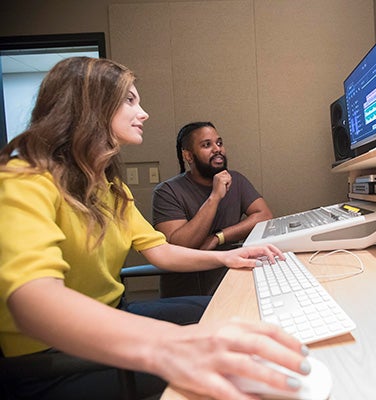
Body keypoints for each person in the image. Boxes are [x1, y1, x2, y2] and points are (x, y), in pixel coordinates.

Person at [0, 57, 309, 400]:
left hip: (113, 315)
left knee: (227, 315)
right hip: (51, 358)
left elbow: (160, 251)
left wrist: (229, 257)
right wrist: (167, 346)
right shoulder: (21, 179)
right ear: (90, 105)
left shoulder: (111, 188)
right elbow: (34, 303)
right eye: (130, 100)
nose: (143, 112)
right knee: (228, 370)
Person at [152, 122, 273, 296]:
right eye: (207, 145)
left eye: (219, 143)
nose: (217, 149)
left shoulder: (236, 180)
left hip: (232, 281)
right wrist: (214, 197)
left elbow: (264, 216)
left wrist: (218, 237)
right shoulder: (166, 192)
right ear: (189, 156)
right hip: (188, 292)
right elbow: (180, 244)